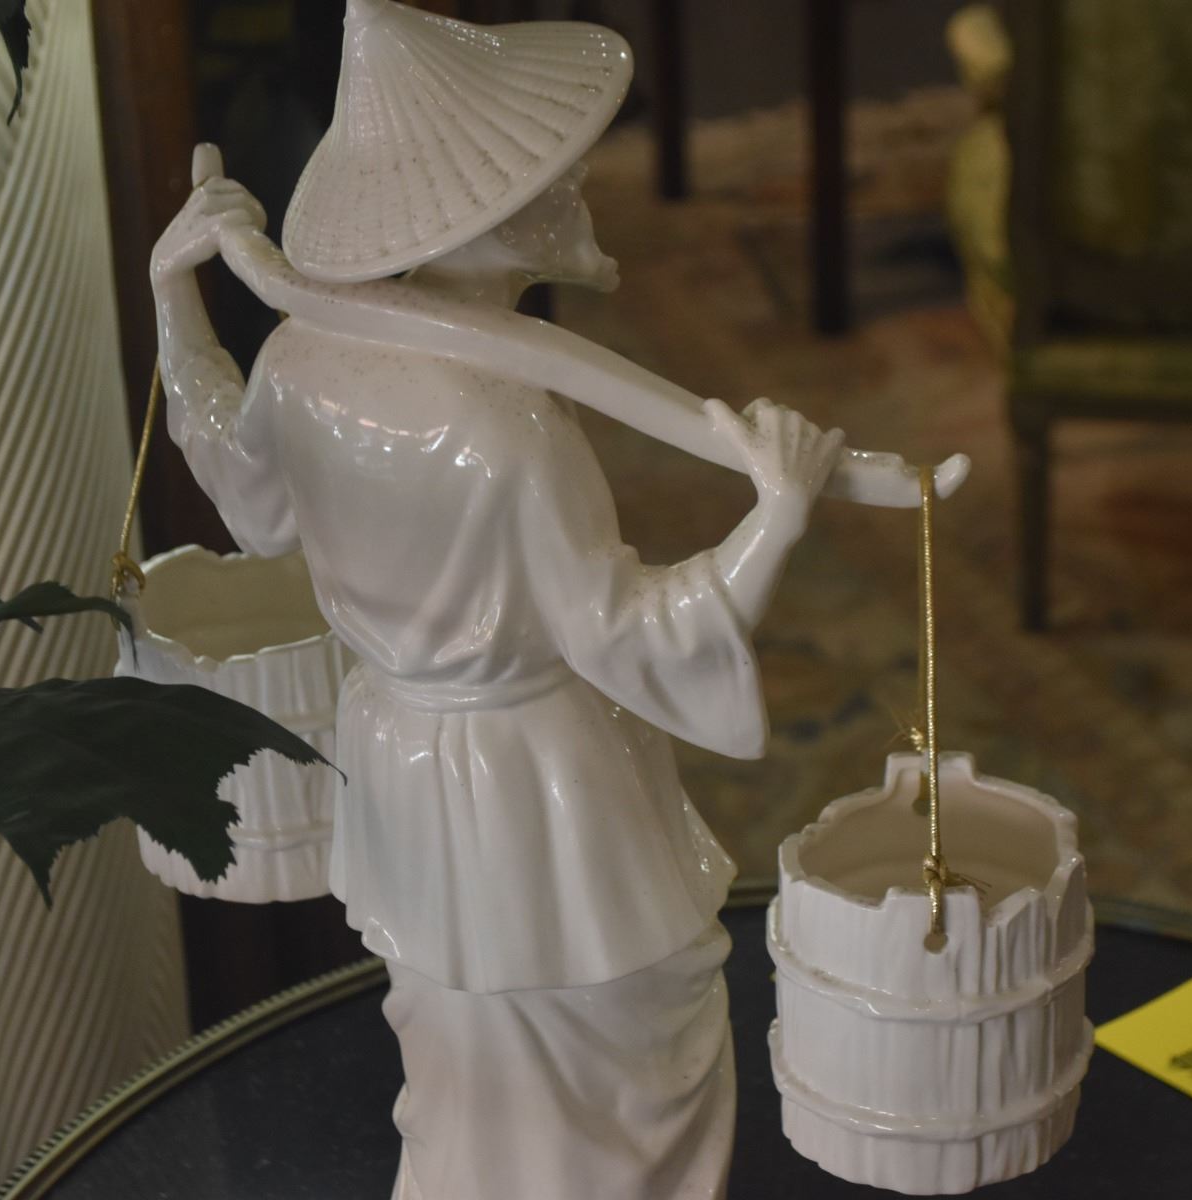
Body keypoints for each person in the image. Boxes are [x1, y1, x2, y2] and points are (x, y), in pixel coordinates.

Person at [149, 5, 851, 1196]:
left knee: (469, 1054)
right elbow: (628, 632)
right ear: (491, 213)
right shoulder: (510, 433)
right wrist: (772, 522)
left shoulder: (297, 362)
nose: (577, 184)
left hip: (402, 768)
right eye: (552, 173)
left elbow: (250, 503)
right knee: (629, 1041)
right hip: (536, 786)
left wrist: (177, 304)